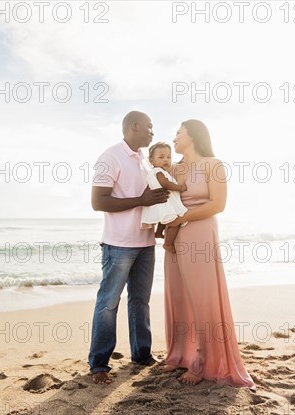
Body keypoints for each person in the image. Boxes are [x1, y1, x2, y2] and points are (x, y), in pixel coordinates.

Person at [160, 120, 255, 389]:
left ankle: (204, 362)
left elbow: (218, 204)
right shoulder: (174, 167)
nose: (175, 137)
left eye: (178, 132)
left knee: (201, 297)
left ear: (192, 135)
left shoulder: (213, 164)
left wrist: (182, 219)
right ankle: (179, 354)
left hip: (198, 232)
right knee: (177, 295)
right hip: (174, 234)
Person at [88, 111, 169, 385]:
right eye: (149, 126)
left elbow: (151, 201)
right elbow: (98, 202)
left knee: (140, 302)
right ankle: (99, 364)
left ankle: (142, 355)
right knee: (108, 303)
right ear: (134, 127)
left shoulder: (146, 163)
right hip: (119, 244)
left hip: (146, 243)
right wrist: (141, 199)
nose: (152, 132)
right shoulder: (110, 156)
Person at [140, 141, 188, 253]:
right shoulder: (159, 171)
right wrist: (179, 187)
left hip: (162, 202)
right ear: (152, 161)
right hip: (165, 201)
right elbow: (165, 184)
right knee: (175, 221)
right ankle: (168, 243)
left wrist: (180, 162)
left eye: (168, 157)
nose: (166, 160)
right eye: (161, 157)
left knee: (164, 218)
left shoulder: (154, 172)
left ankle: (158, 232)